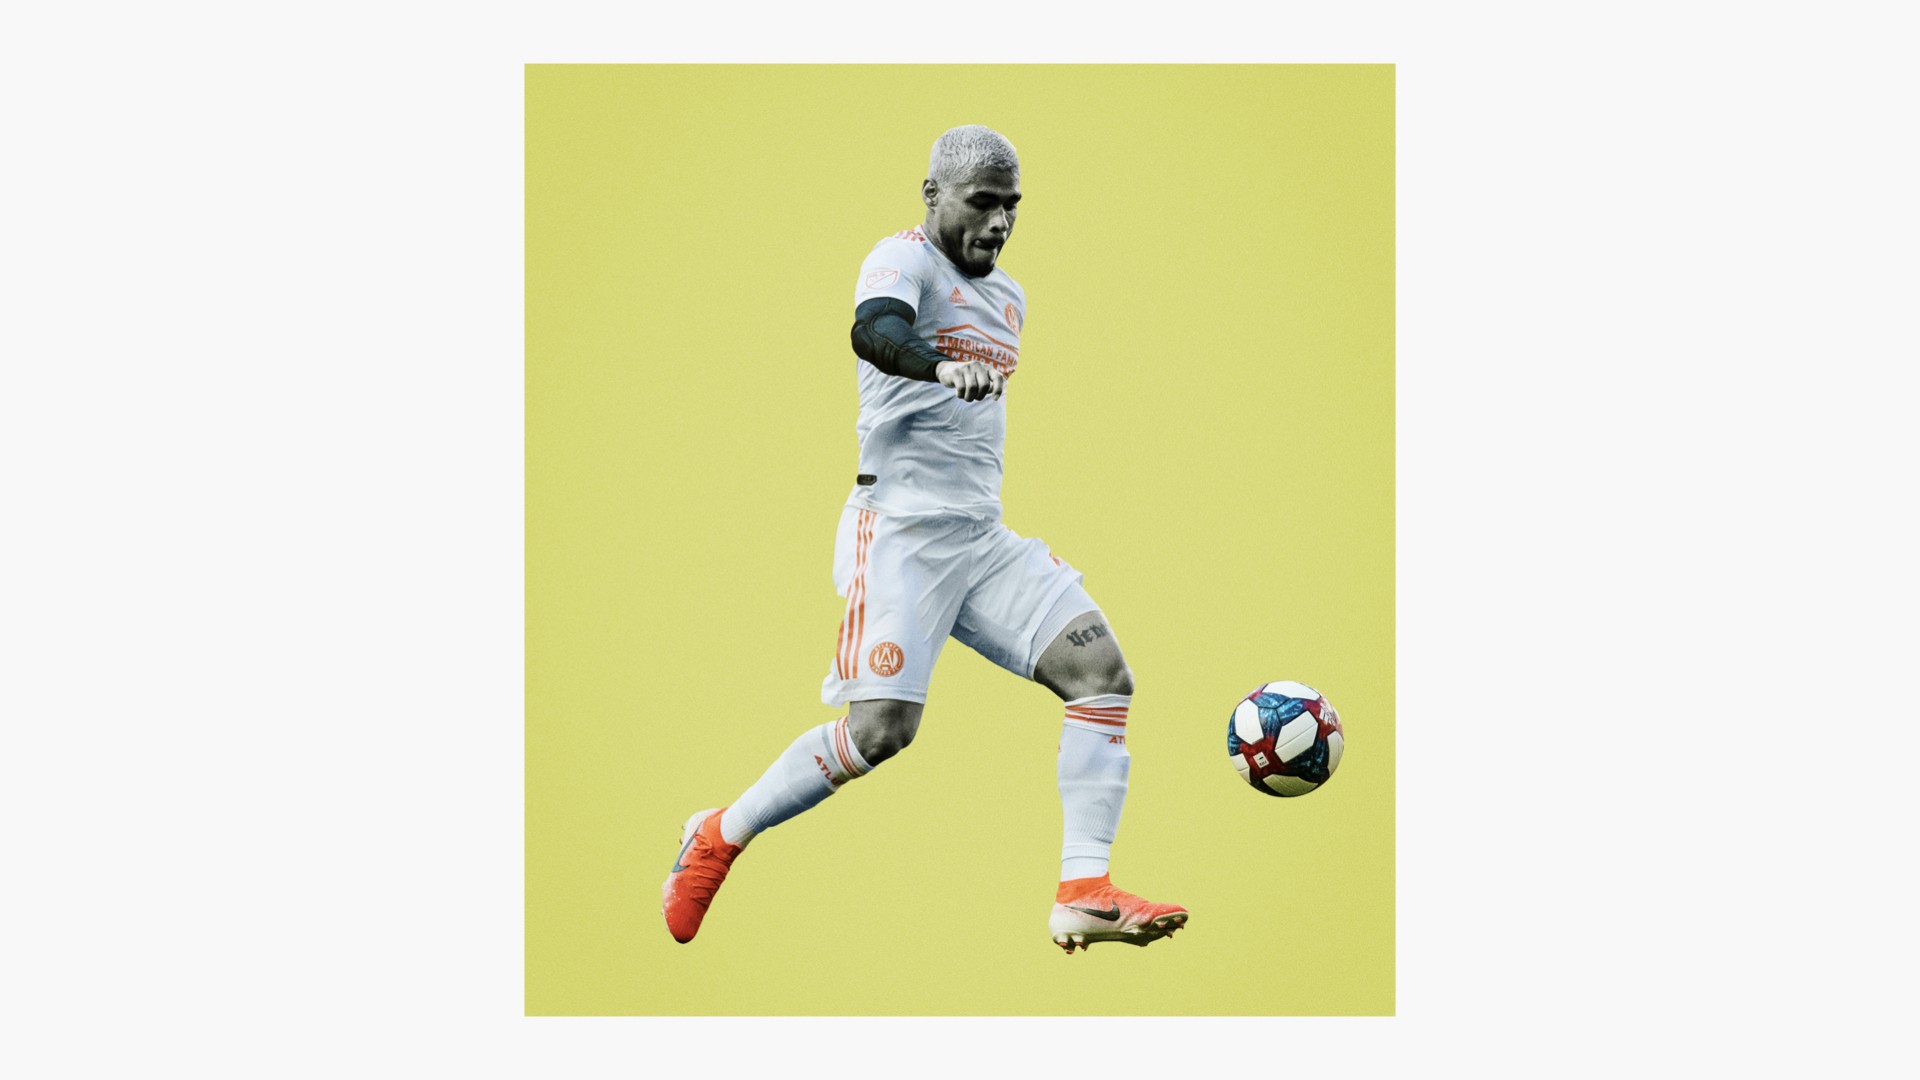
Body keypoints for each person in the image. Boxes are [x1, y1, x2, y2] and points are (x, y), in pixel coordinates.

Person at [661, 125, 1187, 953]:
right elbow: (874, 330)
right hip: (900, 532)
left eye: (1012, 206)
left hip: (980, 536)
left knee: (1102, 675)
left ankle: (1084, 890)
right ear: (934, 195)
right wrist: (939, 366)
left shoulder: (1010, 296)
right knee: (881, 734)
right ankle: (719, 834)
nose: (999, 222)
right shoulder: (900, 259)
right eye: (982, 202)